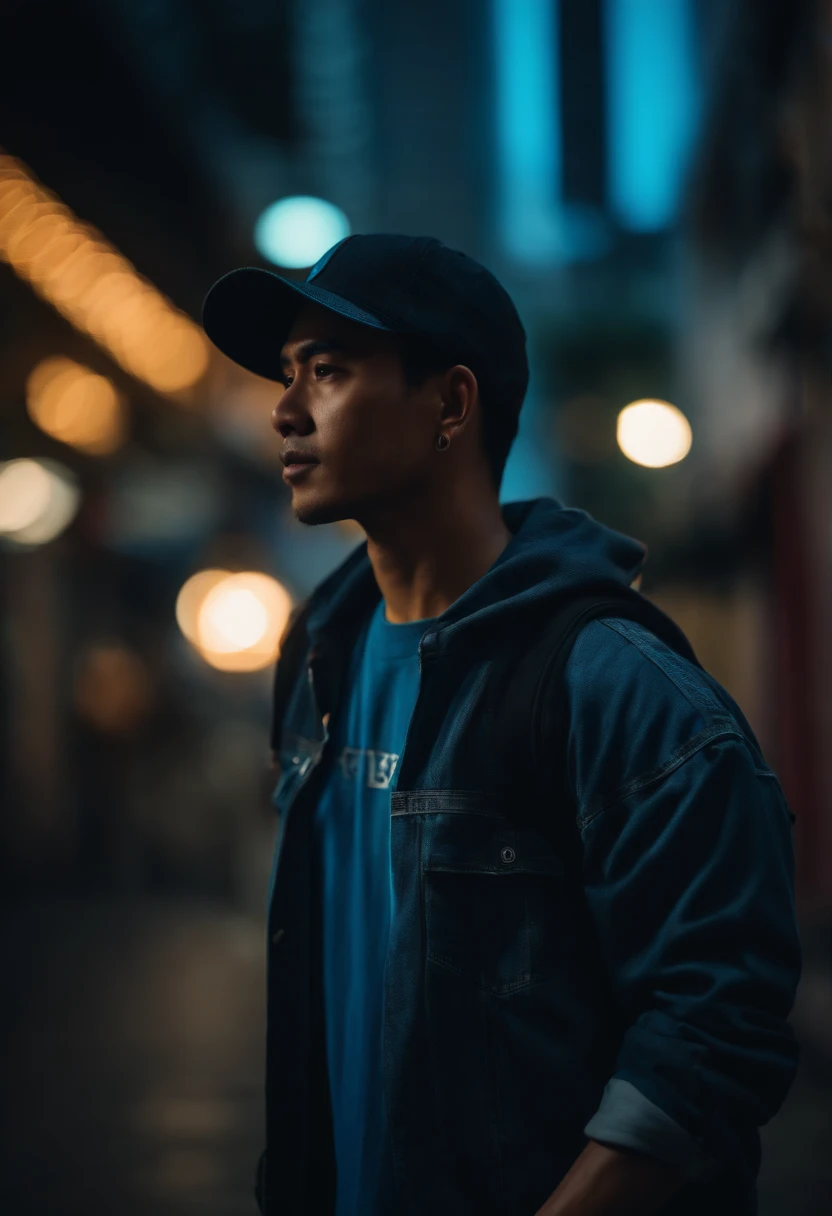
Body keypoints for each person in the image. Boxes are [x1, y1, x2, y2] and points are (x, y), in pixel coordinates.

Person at [202, 234, 801, 1216]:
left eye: (330, 370)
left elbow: (715, 1028)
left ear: (449, 403)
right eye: (288, 372)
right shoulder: (320, 654)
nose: (284, 405)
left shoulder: (615, 686)